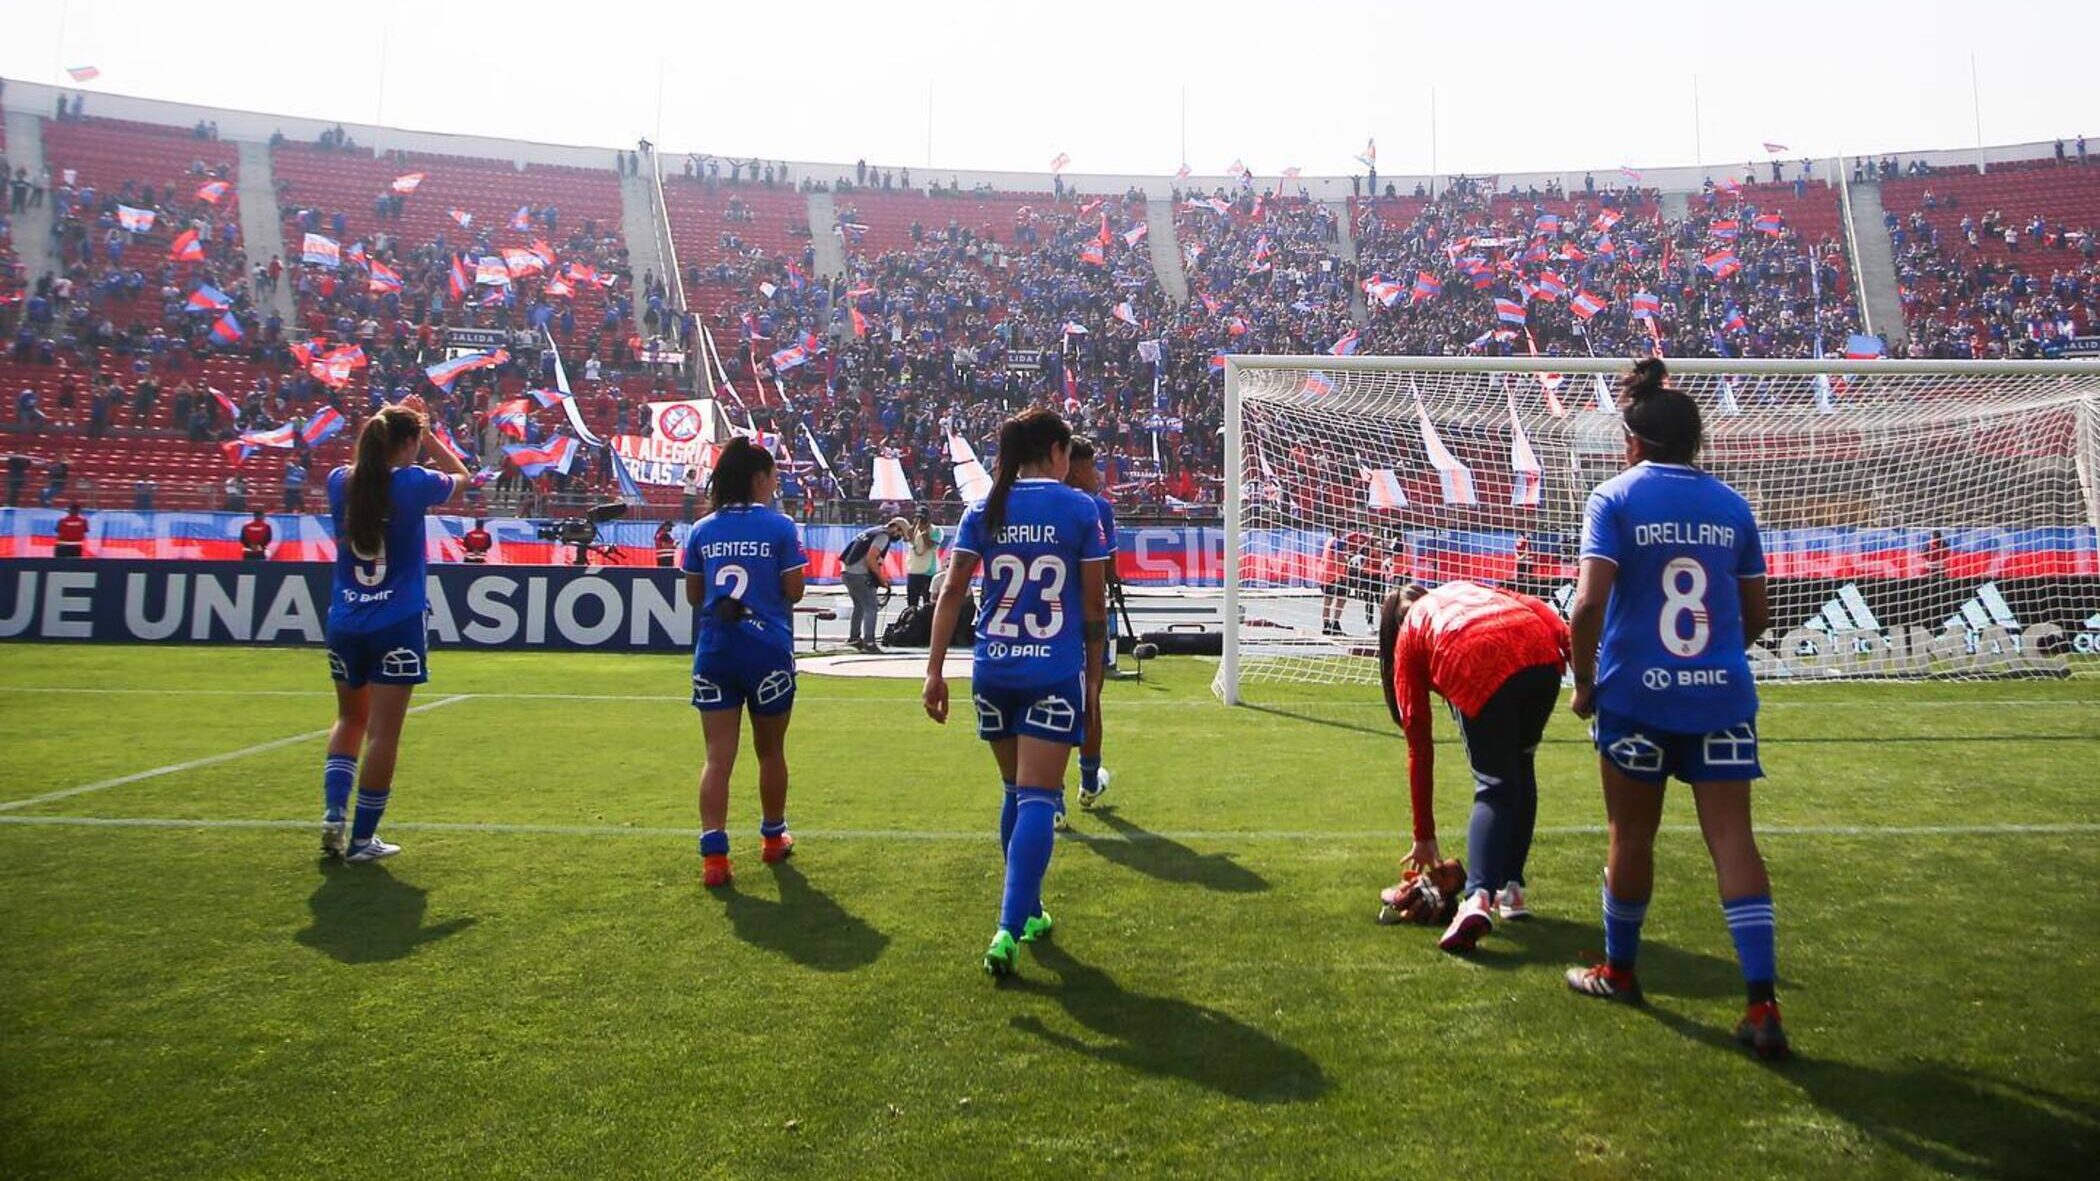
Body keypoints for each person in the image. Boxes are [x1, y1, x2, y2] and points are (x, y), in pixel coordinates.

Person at [1564, 358, 1786, 1060]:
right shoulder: (1732, 505)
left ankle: (1620, 971)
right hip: (1721, 696)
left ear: (1631, 438)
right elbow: (1755, 614)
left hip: (1635, 698)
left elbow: (1587, 604)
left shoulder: (1614, 498)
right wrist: (1712, 660)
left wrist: (1582, 682)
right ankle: (1761, 1003)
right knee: (1734, 842)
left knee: (1631, 836)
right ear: (1695, 443)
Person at [922, 408, 1109, 979]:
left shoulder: (984, 508)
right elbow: (1094, 609)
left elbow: (951, 591)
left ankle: (1029, 912)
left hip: (993, 668)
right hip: (1051, 670)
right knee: (1036, 797)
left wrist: (933, 672)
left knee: (1014, 791)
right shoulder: (1081, 508)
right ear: (1057, 451)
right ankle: (1007, 926)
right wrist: (1094, 679)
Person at [1377, 580, 1569, 952]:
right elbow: (1533, 604)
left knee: (1493, 785)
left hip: (1476, 657)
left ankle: (1477, 897)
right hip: (1542, 657)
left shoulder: (1410, 638)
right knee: (1520, 765)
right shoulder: (1461, 588)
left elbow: (1419, 744)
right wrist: (1576, 656)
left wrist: (1424, 835)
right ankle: (1511, 890)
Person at [320, 398, 469, 864]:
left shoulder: (340, 482)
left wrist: (404, 428)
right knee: (383, 734)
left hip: (345, 619)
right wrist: (430, 435)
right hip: (397, 621)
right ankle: (363, 839)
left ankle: (332, 814)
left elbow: (366, 469)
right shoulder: (412, 483)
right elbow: (463, 478)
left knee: (349, 720)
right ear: (408, 443)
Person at [681, 437, 807, 888]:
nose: (776, 484)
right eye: (774, 476)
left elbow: (695, 595)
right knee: (770, 750)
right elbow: (794, 591)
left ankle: (714, 858)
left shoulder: (702, 529)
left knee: (717, 757)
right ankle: (773, 839)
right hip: (767, 649)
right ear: (759, 478)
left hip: (716, 649)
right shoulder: (781, 527)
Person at [1062, 437, 1118, 821]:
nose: (1098, 475)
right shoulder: (1096, 507)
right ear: (1078, 469)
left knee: (1046, 705)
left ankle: (1050, 798)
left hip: (1045, 622)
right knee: (1091, 698)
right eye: (1094, 466)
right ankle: (1087, 781)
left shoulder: (1029, 504)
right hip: (1085, 618)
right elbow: (1107, 569)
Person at [838, 516, 908, 652]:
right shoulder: (883, 536)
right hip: (858, 574)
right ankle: (869, 643)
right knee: (871, 607)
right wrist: (882, 580)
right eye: (900, 533)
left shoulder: (873, 531)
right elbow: (871, 558)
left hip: (847, 572)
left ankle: (854, 638)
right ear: (896, 528)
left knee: (859, 606)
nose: (899, 537)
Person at [904, 508, 942, 611]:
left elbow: (930, 545)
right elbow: (907, 540)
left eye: (924, 518)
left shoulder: (936, 531)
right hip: (914, 570)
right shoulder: (913, 530)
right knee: (912, 604)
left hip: (928, 571)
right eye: (918, 518)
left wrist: (924, 532)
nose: (921, 521)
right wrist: (912, 530)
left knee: (928, 604)